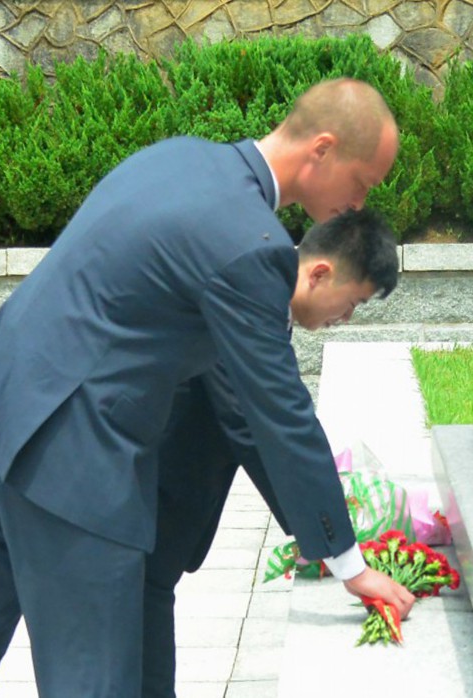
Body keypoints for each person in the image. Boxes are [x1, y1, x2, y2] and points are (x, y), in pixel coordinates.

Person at [0, 77, 414, 698]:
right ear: (322, 149)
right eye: (363, 182)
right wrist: (348, 561)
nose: (361, 202)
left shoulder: (177, 157)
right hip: (68, 457)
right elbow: (278, 414)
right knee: (95, 684)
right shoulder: (250, 246)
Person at [143, 209, 398, 697]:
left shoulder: (264, 295)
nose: (345, 319)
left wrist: (315, 526)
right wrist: (348, 562)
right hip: (118, 500)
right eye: (352, 303)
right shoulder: (243, 290)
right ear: (321, 272)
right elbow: (264, 424)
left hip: (154, 520)